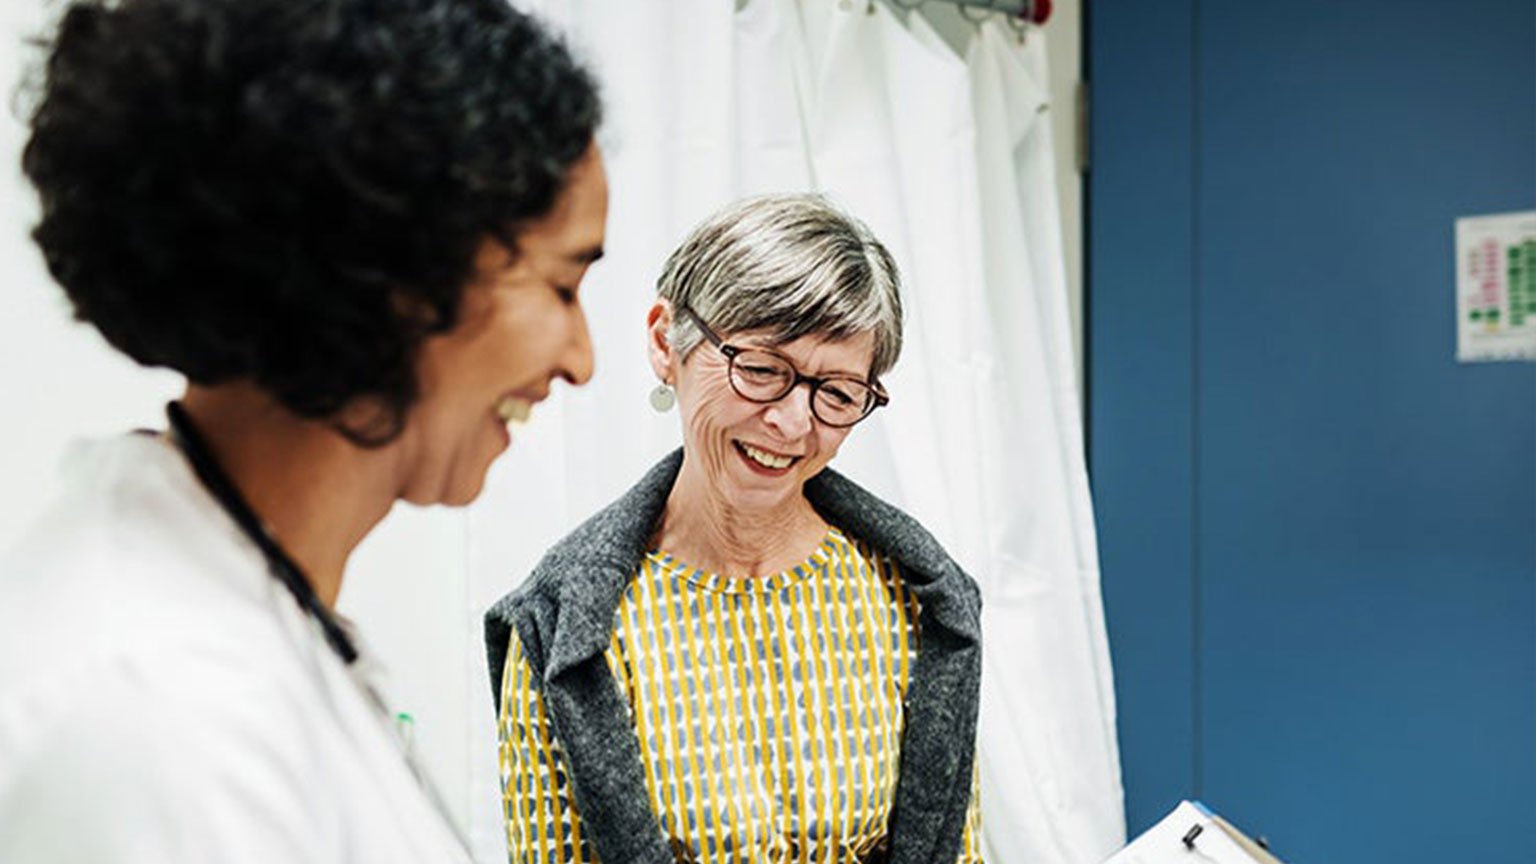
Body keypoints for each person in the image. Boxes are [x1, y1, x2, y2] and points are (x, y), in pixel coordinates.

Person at [0, 0, 606, 860]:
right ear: (401, 276)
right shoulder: (159, 702)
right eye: (561, 287)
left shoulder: (243, 615)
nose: (583, 360)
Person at [487, 194, 984, 864]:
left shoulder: (919, 599)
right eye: (760, 370)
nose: (791, 424)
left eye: (836, 393)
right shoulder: (563, 630)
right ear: (668, 342)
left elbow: (958, 850)